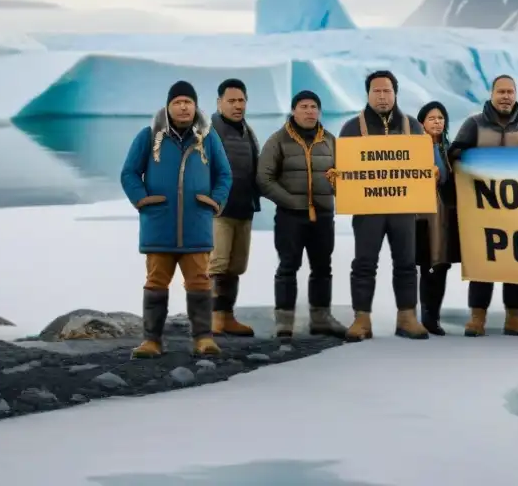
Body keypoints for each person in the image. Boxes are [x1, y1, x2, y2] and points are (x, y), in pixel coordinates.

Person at [120, 81, 233, 359]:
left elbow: (224, 175)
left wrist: (214, 201)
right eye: (178, 102)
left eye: (188, 102)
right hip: (159, 224)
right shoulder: (148, 137)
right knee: (156, 280)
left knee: (199, 281)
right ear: (168, 106)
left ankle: (203, 339)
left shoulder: (208, 138)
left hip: (196, 223)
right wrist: (143, 200)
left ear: (195, 107)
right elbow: (129, 174)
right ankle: (152, 341)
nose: (184, 107)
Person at [448, 74, 518, 338]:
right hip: (482, 212)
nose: (506, 96)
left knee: (517, 262)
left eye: (510, 92)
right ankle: (476, 319)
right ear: (492, 94)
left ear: (516, 94)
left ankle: (515, 318)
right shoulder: (474, 125)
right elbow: (455, 153)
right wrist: (466, 157)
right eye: (501, 91)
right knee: (482, 262)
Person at [337, 70, 430, 341]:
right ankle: (362, 319)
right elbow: (342, 169)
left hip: (404, 209)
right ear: (368, 94)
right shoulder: (352, 128)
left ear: (395, 93)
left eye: (386, 91)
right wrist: (335, 177)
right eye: (376, 91)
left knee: (406, 263)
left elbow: (431, 164)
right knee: (364, 263)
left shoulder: (414, 127)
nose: (381, 96)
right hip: (368, 211)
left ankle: (407, 317)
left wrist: (436, 173)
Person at [257, 90, 348, 340]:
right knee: (288, 267)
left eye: (314, 107)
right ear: (294, 111)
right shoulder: (278, 140)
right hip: (290, 217)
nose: (309, 111)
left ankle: (321, 319)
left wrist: (337, 182)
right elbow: (263, 179)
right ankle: (284, 322)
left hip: (323, 216)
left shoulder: (330, 141)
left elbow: (346, 176)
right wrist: (292, 201)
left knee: (322, 267)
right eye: (304, 106)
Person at [209, 78, 261, 337]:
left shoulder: (247, 131)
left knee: (235, 266)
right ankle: (212, 318)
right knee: (216, 265)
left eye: (241, 100)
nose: (237, 105)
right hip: (218, 211)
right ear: (219, 103)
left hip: (243, 208)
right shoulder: (208, 131)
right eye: (231, 101)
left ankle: (227, 316)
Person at [415, 100, 460, 335]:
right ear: (421, 122)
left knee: (441, 265)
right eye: (432, 118)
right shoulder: (411, 148)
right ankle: (424, 316)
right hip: (420, 215)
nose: (437, 122)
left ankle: (434, 316)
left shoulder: (447, 148)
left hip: (444, 214)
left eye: (441, 118)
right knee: (426, 265)